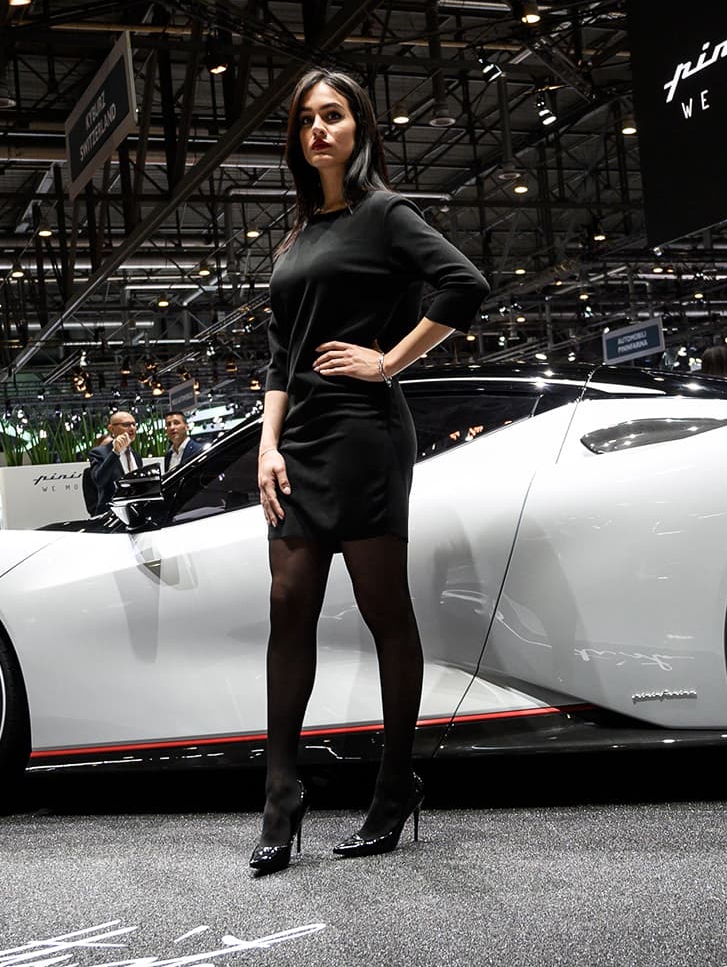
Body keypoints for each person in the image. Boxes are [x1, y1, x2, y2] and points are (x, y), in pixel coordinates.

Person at [252, 68, 487, 876]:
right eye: (307, 119)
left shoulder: (385, 213)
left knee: (384, 608)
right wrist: (266, 443)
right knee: (289, 605)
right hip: (303, 438)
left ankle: (394, 784)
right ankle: (282, 789)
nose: (319, 129)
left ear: (359, 129)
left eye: (334, 115)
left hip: (363, 434)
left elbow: (466, 283)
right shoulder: (296, 236)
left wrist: (388, 361)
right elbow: (282, 351)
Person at [82, 409, 144, 516]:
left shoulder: (136, 456)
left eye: (134, 424)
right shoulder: (99, 452)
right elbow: (99, 481)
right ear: (111, 428)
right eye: (126, 425)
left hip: (136, 513)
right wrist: (115, 453)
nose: (132, 428)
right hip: (111, 516)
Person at [160, 408, 205, 474]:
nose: (172, 427)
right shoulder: (168, 456)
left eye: (176, 423)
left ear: (187, 427)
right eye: (168, 424)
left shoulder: (198, 450)